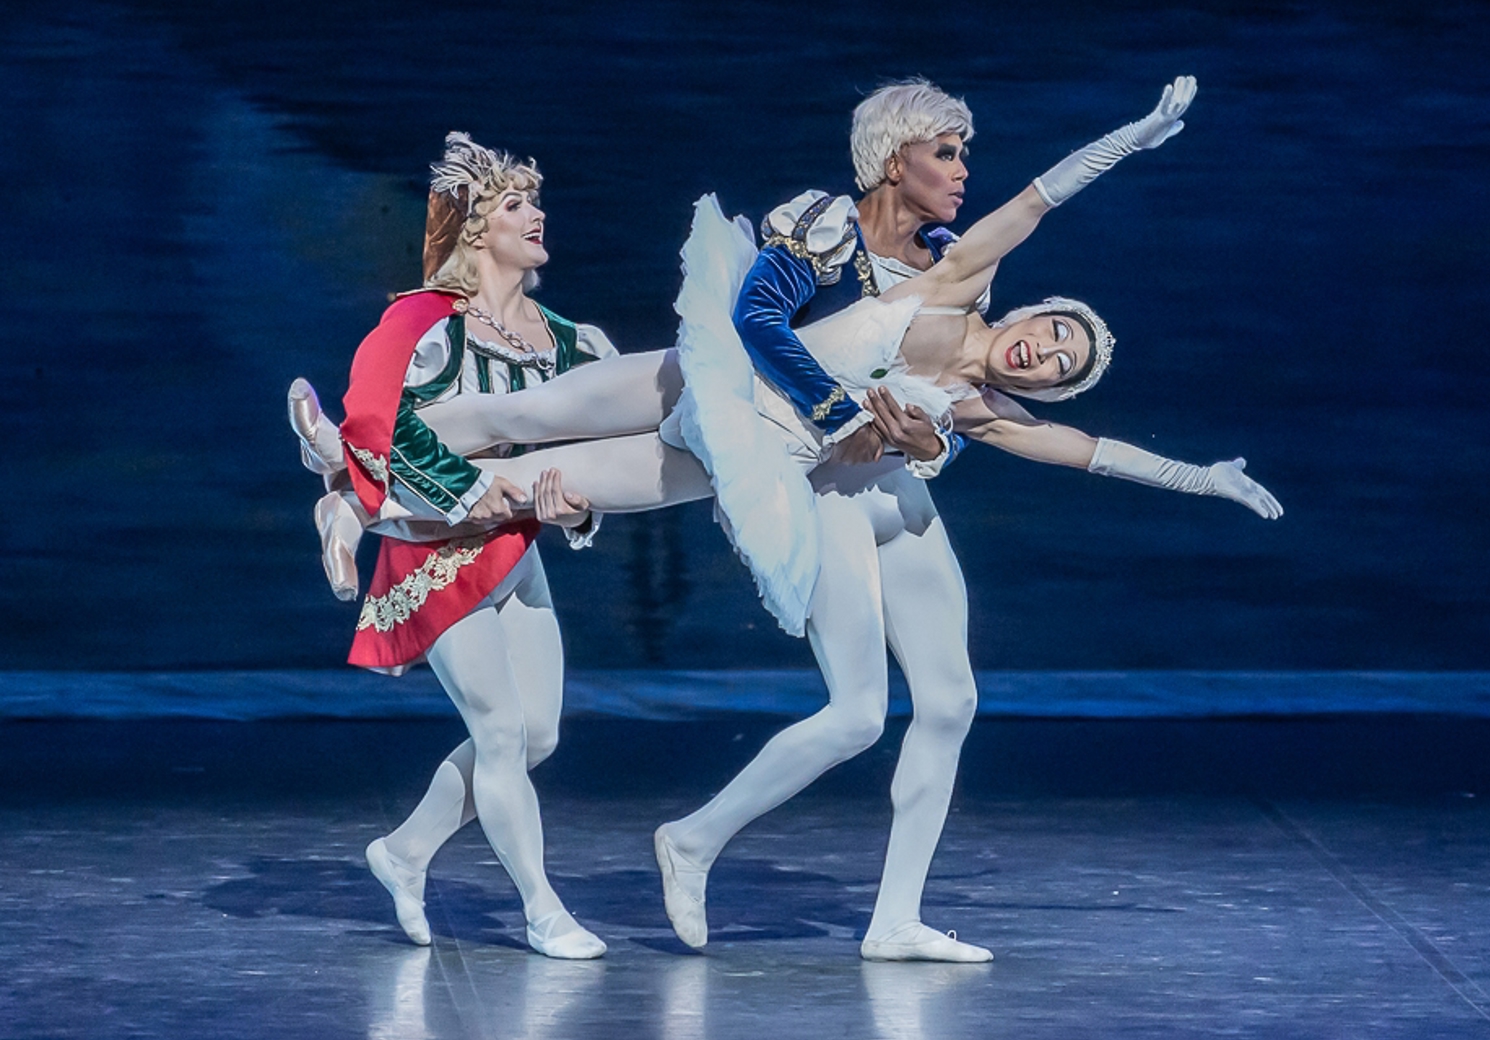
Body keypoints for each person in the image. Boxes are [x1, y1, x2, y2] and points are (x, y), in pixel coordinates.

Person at [339, 78, 1280, 963]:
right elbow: (1035, 203)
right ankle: (355, 469)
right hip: (724, 386)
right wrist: (1137, 136)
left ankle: (886, 913)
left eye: (1066, 367)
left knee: (548, 479)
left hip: (761, 460)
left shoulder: (980, 407)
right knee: (523, 419)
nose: (1049, 357)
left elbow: (1088, 451)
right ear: (1035, 304)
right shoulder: (948, 288)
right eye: (1057, 334)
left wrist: (1205, 479)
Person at [290, 132, 634, 960]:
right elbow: (381, 423)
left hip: (517, 550)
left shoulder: (568, 340)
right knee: (502, 734)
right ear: (477, 229)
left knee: (537, 735)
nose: (536, 212)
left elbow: (592, 461)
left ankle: (403, 853)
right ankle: (542, 909)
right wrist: (473, 489)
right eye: (515, 203)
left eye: (534, 200)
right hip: (436, 547)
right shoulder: (425, 321)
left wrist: (575, 511)